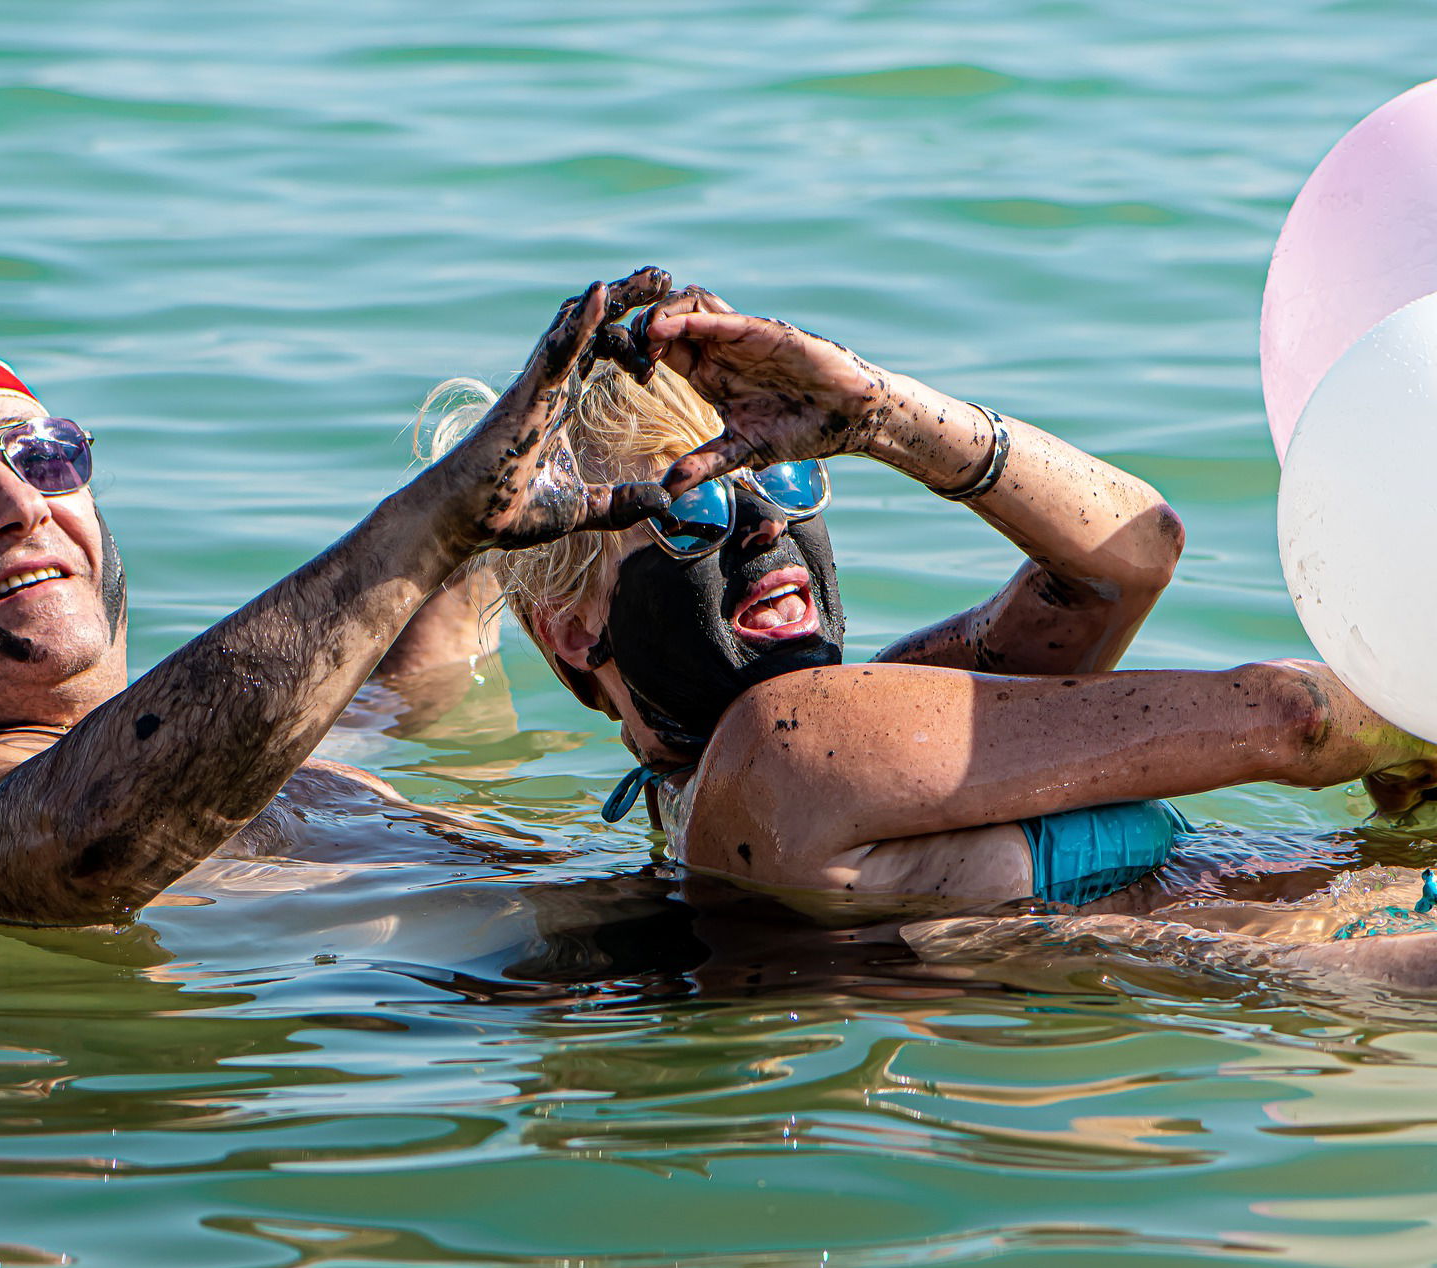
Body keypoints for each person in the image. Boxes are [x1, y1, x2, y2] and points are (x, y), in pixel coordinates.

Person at [479, 284, 1437, 986]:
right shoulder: (787, 750)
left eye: (781, 473)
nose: (765, 524)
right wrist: (1409, 719)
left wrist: (875, 416)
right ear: (571, 631)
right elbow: (1293, 715)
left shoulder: (843, 745)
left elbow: (1130, 552)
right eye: (689, 509)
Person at [0, 270, 675, 925]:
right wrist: (434, 519)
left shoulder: (237, 754)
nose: (22, 505)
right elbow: (82, 841)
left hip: (672, 956)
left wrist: (527, 469)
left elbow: (402, 693)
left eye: (46, 458)